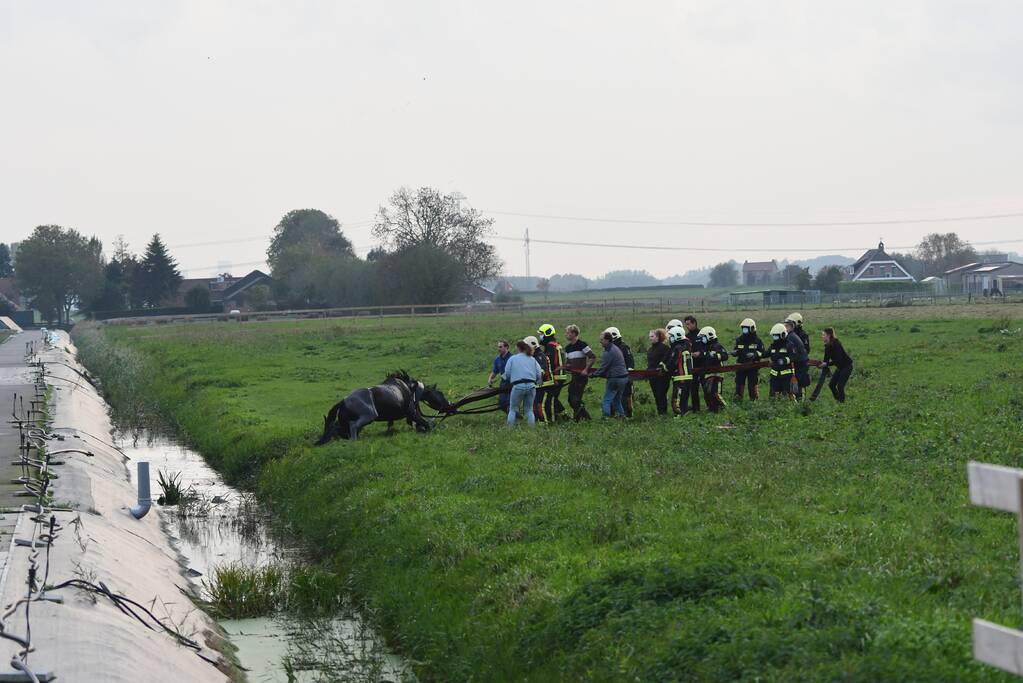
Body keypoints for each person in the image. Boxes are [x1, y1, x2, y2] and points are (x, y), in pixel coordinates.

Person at [502, 340, 543, 427]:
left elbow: (507, 373)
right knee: (529, 410)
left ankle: (509, 429)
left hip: (518, 385)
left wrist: (510, 379)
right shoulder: (532, 359)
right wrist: (536, 380)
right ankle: (531, 429)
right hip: (531, 386)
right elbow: (539, 373)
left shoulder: (512, 359)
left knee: (513, 409)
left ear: (518, 348)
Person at [590, 331, 629, 417]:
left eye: (602, 340)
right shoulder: (615, 348)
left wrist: (593, 375)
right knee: (617, 400)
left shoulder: (608, 352)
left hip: (615, 378)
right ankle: (622, 416)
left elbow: (603, 368)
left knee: (606, 400)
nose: (600, 341)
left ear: (607, 340)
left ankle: (606, 418)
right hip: (624, 378)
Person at [564, 324, 596, 420]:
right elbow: (568, 363)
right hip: (574, 376)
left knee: (576, 399)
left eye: (568, 333)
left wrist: (586, 369)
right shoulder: (567, 348)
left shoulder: (582, 345)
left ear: (574, 334)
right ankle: (580, 417)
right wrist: (566, 367)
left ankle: (584, 418)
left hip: (582, 377)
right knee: (571, 399)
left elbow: (592, 357)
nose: (566, 334)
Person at [538, 323, 569, 422]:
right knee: (554, 398)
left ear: (547, 334)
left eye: (541, 334)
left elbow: (550, 363)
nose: (540, 336)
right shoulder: (555, 344)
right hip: (560, 376)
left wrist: (553, 378)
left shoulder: (550, 346)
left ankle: (553, 420)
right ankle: (564, 416)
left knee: (550, 400)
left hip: (556, 376)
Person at [605, 327, 636, 417]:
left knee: (625, 396)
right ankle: (612, 415)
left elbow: (630, 360)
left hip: (624, 377)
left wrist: (630, 370)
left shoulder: (624, 347)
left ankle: (627, 415)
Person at [732, 318, 765, 401]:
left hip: (753, 366)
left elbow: (763, 353)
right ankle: (738, 400)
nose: (744, 330)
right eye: (743, 328)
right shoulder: (739, 339)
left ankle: (754, 401)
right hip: (741, 365)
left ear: (752, 329)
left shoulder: (757, 341)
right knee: (739, 384)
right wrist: (735, 352)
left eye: (746, 328)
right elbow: (737, 350)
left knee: (752, 385)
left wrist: (755, 354)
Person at [665, 325, 694, 416]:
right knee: (684, 398)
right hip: (688, 377)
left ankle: (678, 415)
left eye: (671, 336)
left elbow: (672, 363)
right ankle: (684, 413)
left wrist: (665, 368)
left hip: (680, 377)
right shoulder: (687, 346)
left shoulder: (677, 348)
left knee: (676, 399)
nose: (670, 339)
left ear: (676, 336)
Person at [697, 326, 728, 412]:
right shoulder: (704, 347)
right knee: (707, 392)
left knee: (716, 393)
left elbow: (725, 356)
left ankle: (724, 407)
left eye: (703, 337)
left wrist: (714, 356)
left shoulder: (717, 346)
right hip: (708, 373)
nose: (702, 339)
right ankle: (711, 409)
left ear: (709, 336)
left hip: (717, 373)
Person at [821, 327, 854, 402]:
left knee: (840, 386)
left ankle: (841, 403)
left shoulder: (836, 344)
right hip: (840, 367)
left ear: (828, 335)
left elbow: (837, 360)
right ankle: (838, 400)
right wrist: (822, 364)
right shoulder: (827, 346)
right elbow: (825, 360)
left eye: (823, 335)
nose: (822, 336)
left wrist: (826, 364)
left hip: (847, 366)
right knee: (831, 385)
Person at [524, 335, 550, 422]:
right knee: (534, 405)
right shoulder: (534, 356)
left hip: (543, 385)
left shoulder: (539, 356)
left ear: (533, 345)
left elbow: (541, 371)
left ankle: (544, 422)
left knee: (539, 405)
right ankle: (537, 421)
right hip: (536, 385)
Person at [767, 323, 796, 399]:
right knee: (773, 396)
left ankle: (791, 404)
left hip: (786, 376)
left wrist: (784, 360)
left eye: (776, 336)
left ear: (783, 335)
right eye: (774, 336)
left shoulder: (789, 345)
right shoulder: (773, 346)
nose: (775, 338)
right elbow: (766, 354)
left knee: (787, 395)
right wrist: (756, 354)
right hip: (774, 375)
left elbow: (793, 357)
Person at [646, 328, 671, 415]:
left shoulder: (665, 348)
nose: (650, 338)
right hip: (652, 376)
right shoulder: (650, 349)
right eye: (650, 336)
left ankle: (663, 413)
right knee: (656, 395)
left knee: (661, 394)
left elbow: (666, 361)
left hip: (662, 376)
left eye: (652, 336)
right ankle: (660, 412)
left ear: (658, 337)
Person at [784, 319, 810, 398]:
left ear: (792, 327)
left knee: (798, 382)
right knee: (798, 382)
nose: (785, 328)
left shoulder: (790, 337)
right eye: (784, 326)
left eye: (787, 326)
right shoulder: (793, 335)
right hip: (801, 361)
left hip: (800, 362)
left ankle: (799, 400)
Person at [487, 340, 512, 412]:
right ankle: (513, 416)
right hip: (503, 385)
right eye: (498, 347)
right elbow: (495, 371)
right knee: (501, 405)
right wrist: (490, 378)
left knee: (510, 405)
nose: (498, 349)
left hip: (512, 384)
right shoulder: (497, 359)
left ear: (506, 347)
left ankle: (514, 417)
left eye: (500, 347)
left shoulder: (512, 358)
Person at [683, 315, 701, 412]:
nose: (687, 326)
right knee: (693, 389)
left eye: (689, 324)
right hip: (692, 366)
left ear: (694, 323)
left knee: (706, 388)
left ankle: (712, 406)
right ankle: (696, 408)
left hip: (702, 364)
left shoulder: (701, 334)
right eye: (686, 324)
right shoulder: (686, 337)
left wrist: (700, 353)